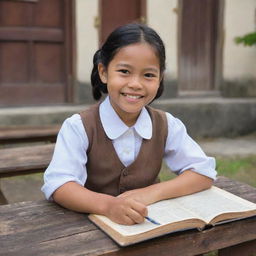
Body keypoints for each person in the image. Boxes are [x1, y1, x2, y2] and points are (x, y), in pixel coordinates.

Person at [42, 23, 217, 225]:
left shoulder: (166, 125)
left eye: (149, 75)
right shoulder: (79, 127)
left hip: (149, 226)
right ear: (104, 72)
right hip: (90, 228)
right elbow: (59, 184)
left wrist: (152, 192)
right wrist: (107, 206)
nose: (135, 84)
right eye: (124, 71)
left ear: (160, 79)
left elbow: (203, 172)